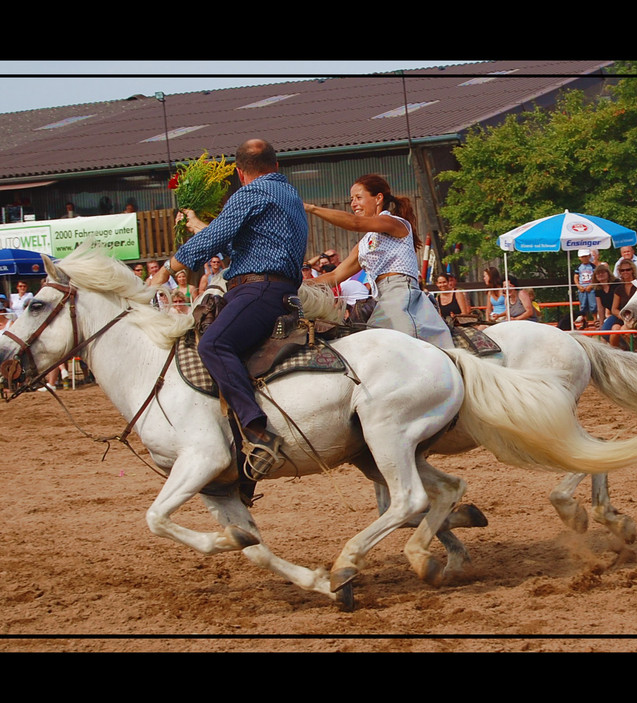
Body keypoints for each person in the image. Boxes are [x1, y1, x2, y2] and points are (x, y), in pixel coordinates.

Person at [153, 138, 308, 480]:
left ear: (239, 172)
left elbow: (213, 240)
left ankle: (256, 431)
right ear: (276, 165)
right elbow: (239, 243)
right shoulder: (287, 194)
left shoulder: (250, 193)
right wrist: (198, 225)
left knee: (212, 344)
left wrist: (166, 270)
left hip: (258, 291)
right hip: (274, 287)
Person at [303, 173, 454, 349]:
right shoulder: (365, 244)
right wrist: (299, 285)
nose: (353, 204)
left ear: (378, 198)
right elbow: (334, 275)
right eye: (352, 199)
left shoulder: (396, 223)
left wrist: (311, 208)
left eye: (359, 197)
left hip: (402, 297)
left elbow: (355, 223)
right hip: (380, 300)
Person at [602, 261, 637, 349]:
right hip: (623, 317)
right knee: (615, 329)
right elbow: (614, 309)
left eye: (628, 270)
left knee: (624, 330)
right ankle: (614, 353)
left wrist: (631, 318)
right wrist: (624, 317)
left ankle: (634, 351)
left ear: (632, 270)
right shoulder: (619, 289)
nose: (625, 272)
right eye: (622, 270)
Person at [591, 263, 617, 328]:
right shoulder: (598, 289)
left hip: (622, 313)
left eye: (602, 272)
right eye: (598, 273)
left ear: (608, 273)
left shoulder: (616, 284)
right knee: (604, 330)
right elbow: (600, 308)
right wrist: (601, 324)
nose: (600, 274)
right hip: (613, 315)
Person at [573, 248, 596, 322]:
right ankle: (584, 321)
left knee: (593, 305)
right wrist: (578, 286)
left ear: (589, 256)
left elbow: (596, 277)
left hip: (591, 289)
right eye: (583, 257)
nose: (584, 258)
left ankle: (595, 320)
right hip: (582, 289)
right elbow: (576, 277)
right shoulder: (579, 267)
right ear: (579, 258)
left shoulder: (593, 266)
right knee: (583, 305)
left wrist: (591, 285)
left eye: (586, 256)